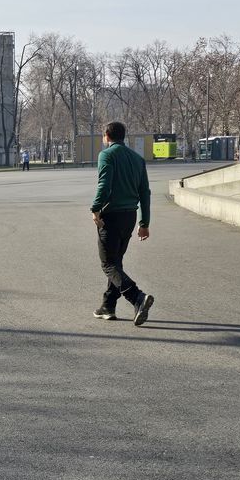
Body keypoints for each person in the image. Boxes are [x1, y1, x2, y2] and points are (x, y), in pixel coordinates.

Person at [91, 121, 154, 326]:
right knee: (116, 261)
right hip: (130, 216)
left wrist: (96, 208)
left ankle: (137, 297)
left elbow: (104, 184)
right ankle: (108, 306)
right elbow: (144, 192)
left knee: (108, 264)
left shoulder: (107, 155)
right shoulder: (137, 159)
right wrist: (144, 222)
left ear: (107, 136)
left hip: (111, 216)